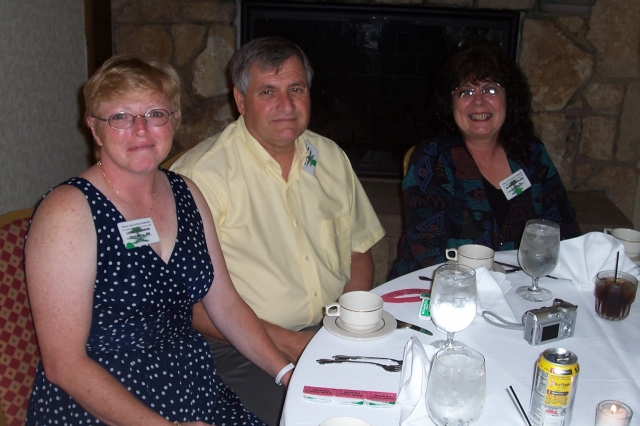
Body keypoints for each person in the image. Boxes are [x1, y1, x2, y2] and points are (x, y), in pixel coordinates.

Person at [25, 55, 293, 425]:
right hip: (101, 401)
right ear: (94, 127)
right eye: (120, 117)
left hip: (194, 387)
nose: (140, 130)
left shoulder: (187, 193)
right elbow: (64, 365)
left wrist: (287, 374)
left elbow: (226, 305)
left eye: (155, 114)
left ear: (174, 120)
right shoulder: (68, 212)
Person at [171, 37, 385, 425]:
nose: (286, 106)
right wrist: (295, 344)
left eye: (296, 89)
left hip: (330, 330)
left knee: (386, 402)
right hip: (235, 345)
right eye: (268, 91)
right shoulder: (199, 178)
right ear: (240, 100)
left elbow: (358, 250)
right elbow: (191, 307)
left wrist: (347, 325)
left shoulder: (331, 158)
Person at [390, 42, 581, 278]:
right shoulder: (432, 159)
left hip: (520, 289)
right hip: (441, 290)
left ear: (508, 98)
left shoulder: (531, 155)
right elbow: (425, 253)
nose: (478, 101)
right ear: (450, 104)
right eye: (465, 92)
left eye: (490, 90)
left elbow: (566, 233)